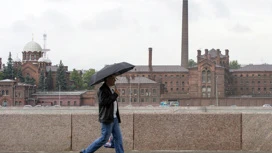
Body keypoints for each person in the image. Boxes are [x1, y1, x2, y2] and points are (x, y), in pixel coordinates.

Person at [80, 75, 124, 153]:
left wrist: (114, 94)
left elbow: (112, 102)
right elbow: (104, 102)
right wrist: (115, 95)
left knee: (118, 138)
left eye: (115, 79)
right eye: (113, 79)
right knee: (104, 138)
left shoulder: (111, 88)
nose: (115, 80)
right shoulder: (102, 90)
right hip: (107, 118)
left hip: (114, 118)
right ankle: (85, 152)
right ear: (108, 79)